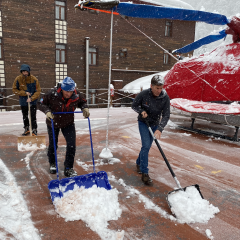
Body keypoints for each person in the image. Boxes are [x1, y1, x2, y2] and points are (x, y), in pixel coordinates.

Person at [38, 77, 90, 177]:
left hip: (68, 123)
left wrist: (85, 108)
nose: (68, 94)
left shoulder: (77, 94)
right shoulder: (52, 94)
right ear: (62, 88)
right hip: (53, 121)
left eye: (71, 92)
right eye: (66, 91)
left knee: (71, 145)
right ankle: (52, 163)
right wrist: (47, 111)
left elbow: (83, 101)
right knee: (53, 144)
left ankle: (68, 168)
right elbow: (40, 103)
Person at [131, 75, 170, 185]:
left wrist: (160, 129)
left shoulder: (165, 97)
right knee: (146, 146)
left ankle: (139, 162)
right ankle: (144, 173)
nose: (159, 90)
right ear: (151, 86)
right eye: (157, 88)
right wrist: (141, 111)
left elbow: (166, 115)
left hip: (154, 125)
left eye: (161, 88)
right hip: (143, 123)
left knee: (146, 147)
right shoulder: (144, 94)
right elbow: (134, 105)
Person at [12, 64, 41, 136]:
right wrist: (24, 93)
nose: (25, 73)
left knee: (33, 116)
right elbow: (14, 90)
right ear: (21, 72)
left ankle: (34, 129)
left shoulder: (34, 79)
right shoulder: (18, 79)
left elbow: (38, 91)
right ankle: (26, 128)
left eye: (26, 72)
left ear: (29, 72)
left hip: (33, 102)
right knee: (25, 116)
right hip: (23, 101)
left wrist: (31, 98)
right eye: (23, 72)